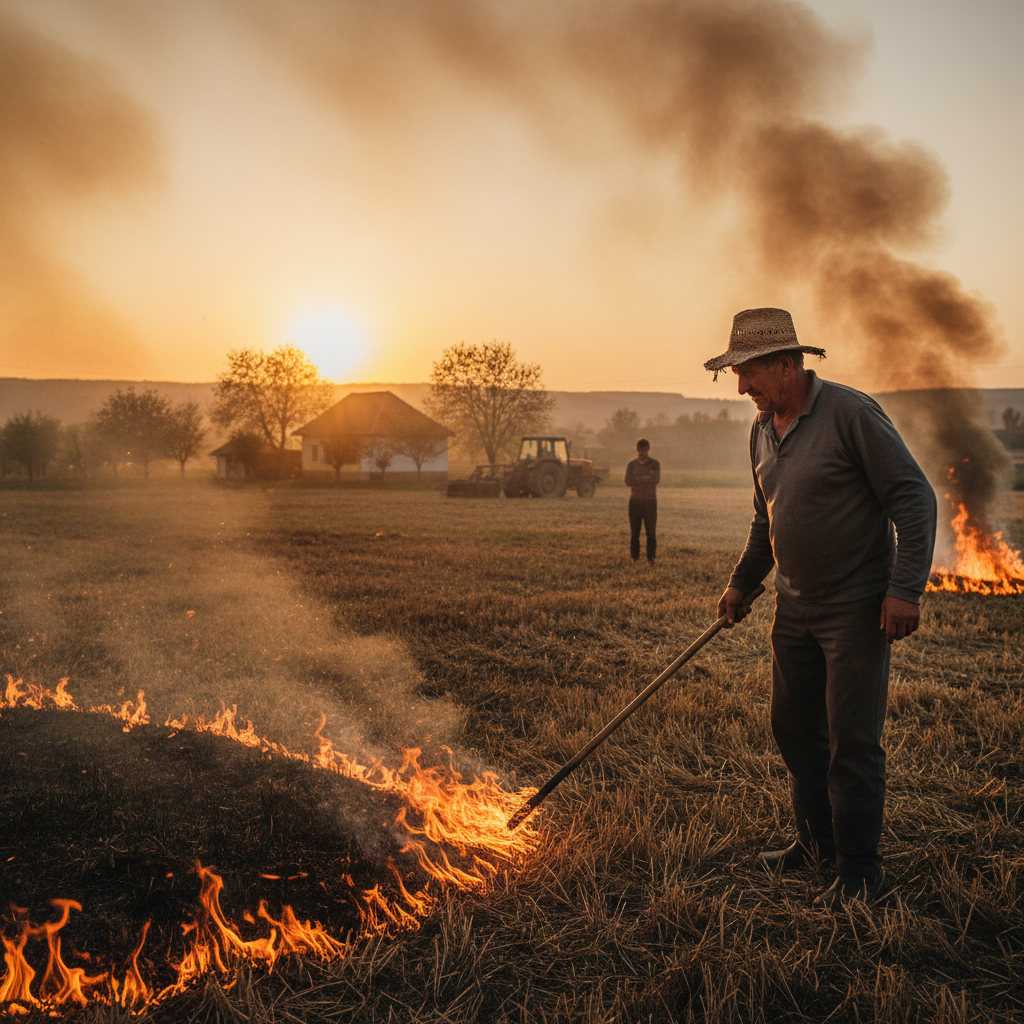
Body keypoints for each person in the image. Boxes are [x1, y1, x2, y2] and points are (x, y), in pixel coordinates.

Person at [705, 307, 936, 908]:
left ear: (787, 364)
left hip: (856, 609)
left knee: (851, 741)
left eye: (750, 372)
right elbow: (767, 520)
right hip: (794, 610)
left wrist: (905, 589)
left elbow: (913, 497)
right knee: (792, 727)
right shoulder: (761, 428)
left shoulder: (851, 414)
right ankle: (815, 845)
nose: (741, 386)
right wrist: (741, 583)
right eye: (736, 373)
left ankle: (860, 869)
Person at [624, 439, 660, 564]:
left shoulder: (655, 464)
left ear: (648, 449)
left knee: (651, 531)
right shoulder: (631, 464)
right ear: (637, 449)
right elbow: (627, 481)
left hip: (650, 502)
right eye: (640, 449)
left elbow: (656, 479)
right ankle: (634, 557)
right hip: (634, 501)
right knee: (635, 532)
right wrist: (645, 478)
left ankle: (651, 557)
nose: (642, 452)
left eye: (644, 449)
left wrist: (637, 479)